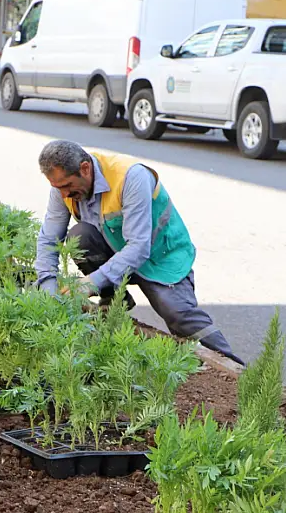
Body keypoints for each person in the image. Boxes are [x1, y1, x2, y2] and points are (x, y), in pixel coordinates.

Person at [33, 140, 243, 365]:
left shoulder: (130, 177)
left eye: (67, 185)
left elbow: (138, 248)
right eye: (58, 188)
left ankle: (235, 369)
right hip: (116, 252)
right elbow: (49, 238)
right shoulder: (62, 188)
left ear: (85, 168)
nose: (64, 193)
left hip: (160, 256)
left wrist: (90, 283)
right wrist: (48, 286)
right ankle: (114, 302)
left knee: (179, 316)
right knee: (80, 237)